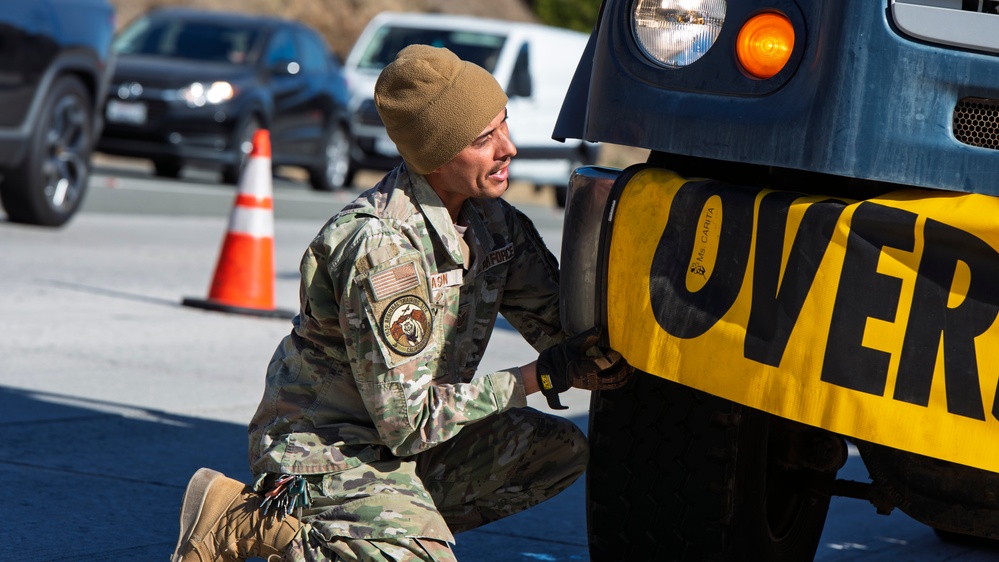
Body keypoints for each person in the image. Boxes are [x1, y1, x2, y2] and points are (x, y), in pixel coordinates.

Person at [170, 44, 631, 562]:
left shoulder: (493, 223)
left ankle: (387, 524)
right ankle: (257, 522)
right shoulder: (382, 251)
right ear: (436, 156)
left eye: (504, 125)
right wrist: (536, 377)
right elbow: (408, 422)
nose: (509, 149)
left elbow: (566, 327)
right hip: (328, 446)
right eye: (485, 139)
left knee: (555, 451)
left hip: (407, 438)